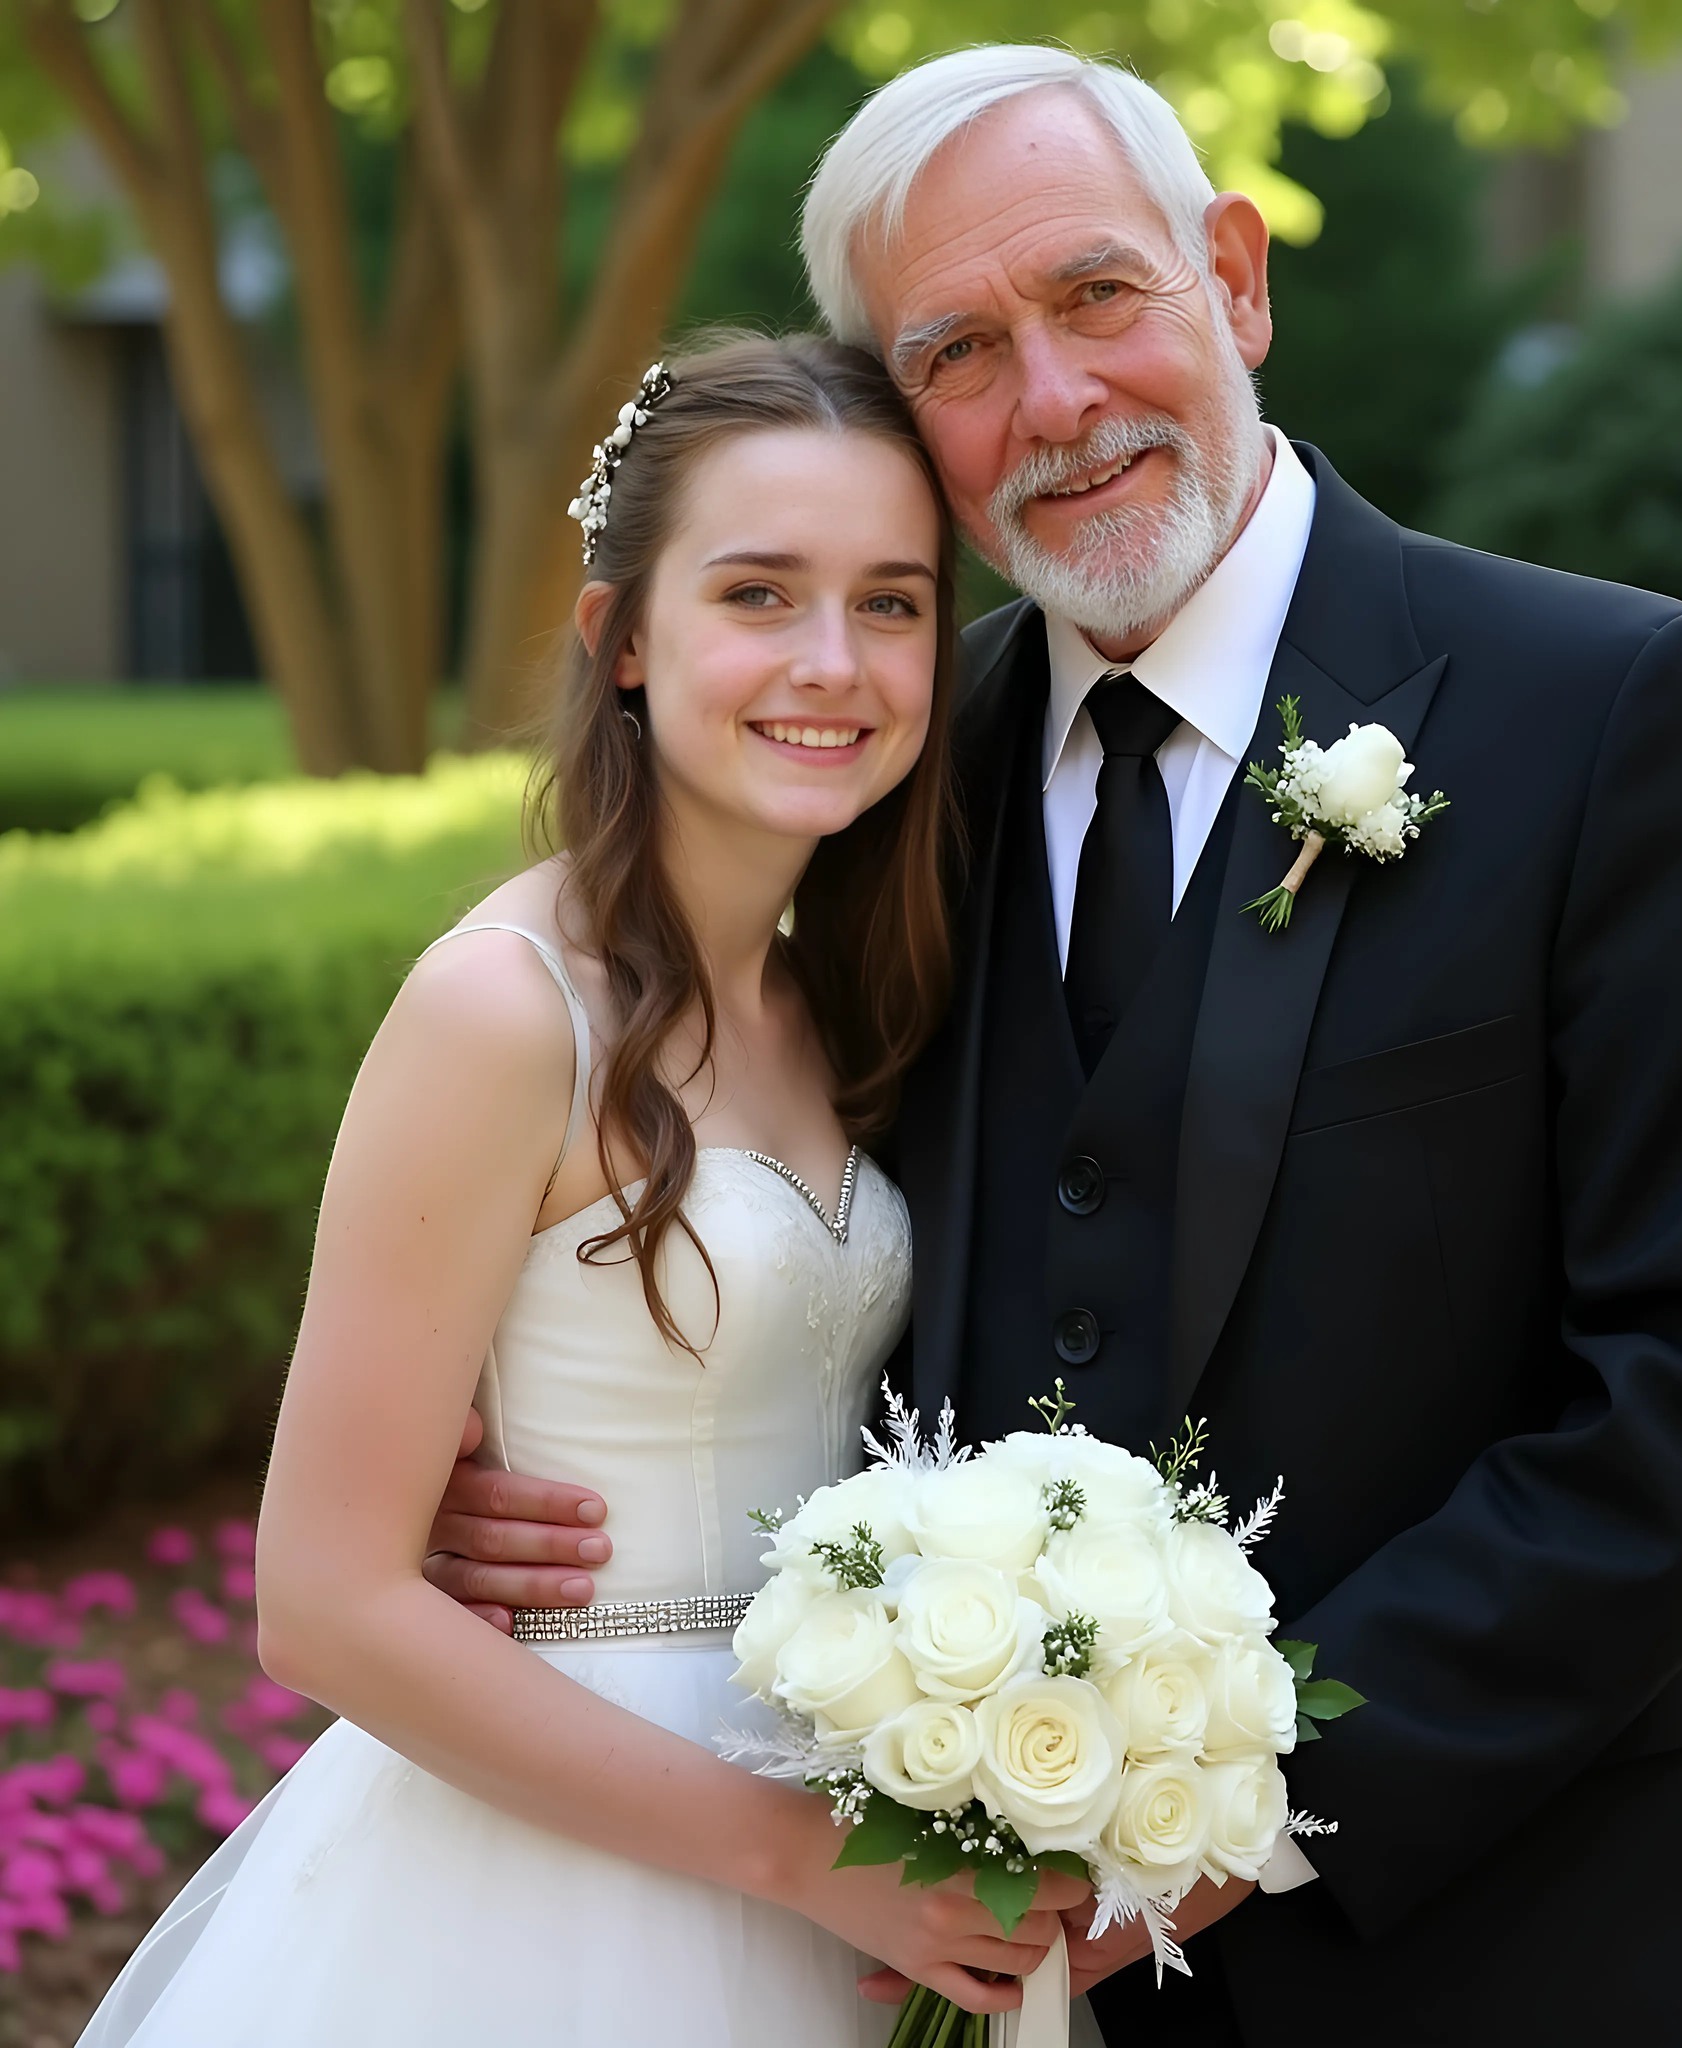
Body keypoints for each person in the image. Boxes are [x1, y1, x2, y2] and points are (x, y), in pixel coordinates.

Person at [430, 49, 1682, 2048]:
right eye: (956, 352)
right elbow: (732, 1169)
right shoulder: (883, 770)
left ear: (1236, 280)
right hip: (991, 1979)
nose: (1053, 398)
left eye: (1098, 293)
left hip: (1519, 1945)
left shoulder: (1613, 705)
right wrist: (513, 1455)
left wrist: (1249, 1804)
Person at [74, 331, 1089, 2047]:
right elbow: (322, 1603)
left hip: (860, 1828)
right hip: (575, 1878)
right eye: (758, 594)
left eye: (893, 603)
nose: (832, 662)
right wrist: (805, 1856)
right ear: (621, 637)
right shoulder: (502, 1010)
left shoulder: (836, 999)